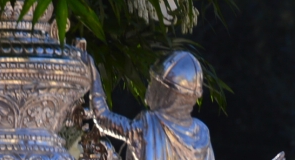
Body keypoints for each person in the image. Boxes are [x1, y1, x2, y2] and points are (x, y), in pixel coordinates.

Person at [85, 50, 215, 160]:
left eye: (156, 84)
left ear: (168, 93)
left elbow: (102, 116)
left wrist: (92, 73)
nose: (151, 88)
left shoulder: (147, 128)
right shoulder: (202, 133)